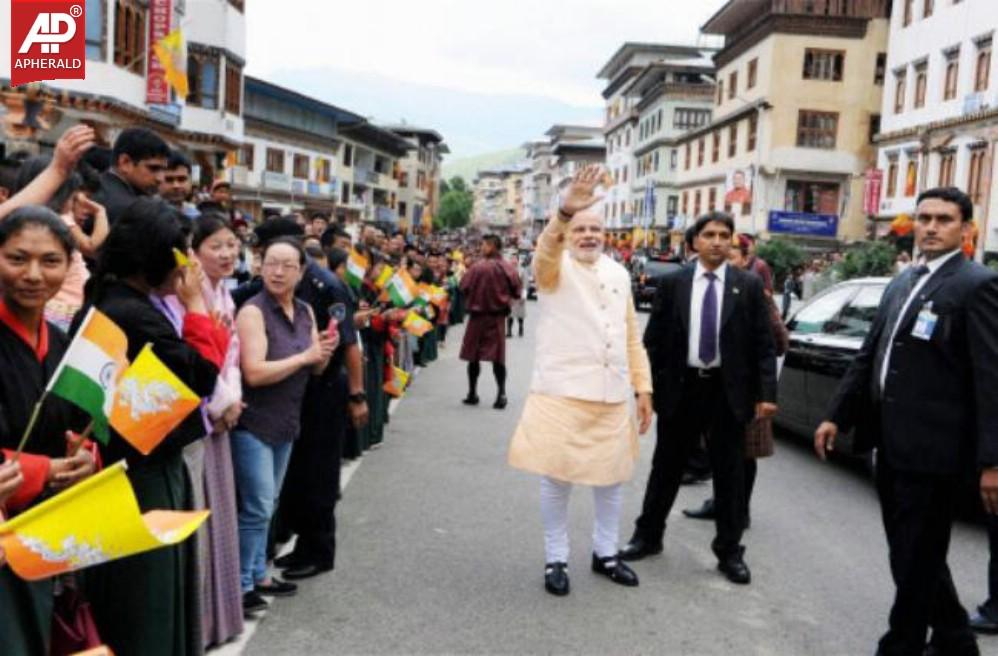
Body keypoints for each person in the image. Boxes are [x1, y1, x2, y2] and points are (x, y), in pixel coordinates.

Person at [815, 187, 998, 656]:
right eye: (923, 218)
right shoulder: (901, 281)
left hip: (936, 451)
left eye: (943, 219)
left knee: (915, 555)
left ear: (966, 229)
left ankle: (902, 644)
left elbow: (990, 379)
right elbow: (870, 353)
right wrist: (836, 414)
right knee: (912, 552)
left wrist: (991, 463)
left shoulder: (975, 284)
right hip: (889, 443)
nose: (931, 228)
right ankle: (956, 639)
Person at [82, 198, 229, 656]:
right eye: (182, 252)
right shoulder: (136, 314)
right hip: (144, 472)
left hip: (128, 464)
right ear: (157, 256)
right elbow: (202, 375)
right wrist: (196, 307)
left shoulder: (109, 297)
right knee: (150, 597)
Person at [508, 165, 653, 597]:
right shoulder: (554, 268)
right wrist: (565, 213)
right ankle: (556, 558)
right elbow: (545, 252)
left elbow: (630, 335)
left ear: (605, 234)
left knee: (611, 478)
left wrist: (642, 388)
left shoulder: (619, 273)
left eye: (596, 229)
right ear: (570, 233)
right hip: (562, 393)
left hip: (610, 395)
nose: (588, 235)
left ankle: (605, 553)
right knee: (557, 479)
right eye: (581, 229)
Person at [619, 211, 777, 586]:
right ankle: (648, 536)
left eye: (725, 235)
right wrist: (649, 388)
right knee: (666, 468)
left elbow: (763, 344)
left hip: (729, 392)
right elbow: (653, 341)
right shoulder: (674, 284)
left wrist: (766, 393)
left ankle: (729, 551)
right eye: (710, 234)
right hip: (682, 388)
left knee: (730, 475)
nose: (718, 241)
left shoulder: (748, 286)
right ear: (694, 242)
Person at [0, 207, 98, 656]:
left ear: (70, 265)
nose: (33, 275)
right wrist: (44, 469)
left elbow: (79, 427)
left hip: (47, 531)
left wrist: (84, 457)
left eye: (50, 261)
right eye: (17, 258)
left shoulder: (61, 344)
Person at [233, 236, 337, 617]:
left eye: (286, 265)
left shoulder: (307, 311)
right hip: (253, 423)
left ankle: (259, 574)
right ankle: (243, 584)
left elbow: (316, 368)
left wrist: (324, 349)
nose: (277, 271)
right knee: (257, 506)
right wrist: (307, 355)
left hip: (287, 422)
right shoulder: (252, 312)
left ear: (301, 272)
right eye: (270, 263)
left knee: (269, 504)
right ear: (259, 266)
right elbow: (254, 373)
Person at [183, 214, 245, 648]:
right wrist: (222, 403)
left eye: (231, 246)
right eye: (216, 246)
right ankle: (203, 622)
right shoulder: (190, 296)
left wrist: (234, 400)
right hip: (204, 414)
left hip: (224, 408)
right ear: (194, 251)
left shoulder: (225, 294)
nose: (226, 255)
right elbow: (198, 357)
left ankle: (221, 617)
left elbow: (233, 356)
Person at [459, 234, 521, 410]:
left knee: (473, 357)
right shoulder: (507, 267)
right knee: (498, 359)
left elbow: (463, 286)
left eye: (484, 245)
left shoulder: (476, 267)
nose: (481, 248)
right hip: (497, 318)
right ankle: (501, 393)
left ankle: (472, 393)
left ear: (492, 246)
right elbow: (517, 291)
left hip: (477, 317)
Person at [92, 127, 170, 224]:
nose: (160, 179)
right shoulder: (130, 210)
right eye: (153, 168)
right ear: (125, 162)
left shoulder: (94, 188)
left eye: (163, 170)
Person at [161, 150, 199, 220]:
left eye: (181, 179)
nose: (176, 185)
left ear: (190, 181)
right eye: (169, 180)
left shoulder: (196, 215)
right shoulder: (147, 215)